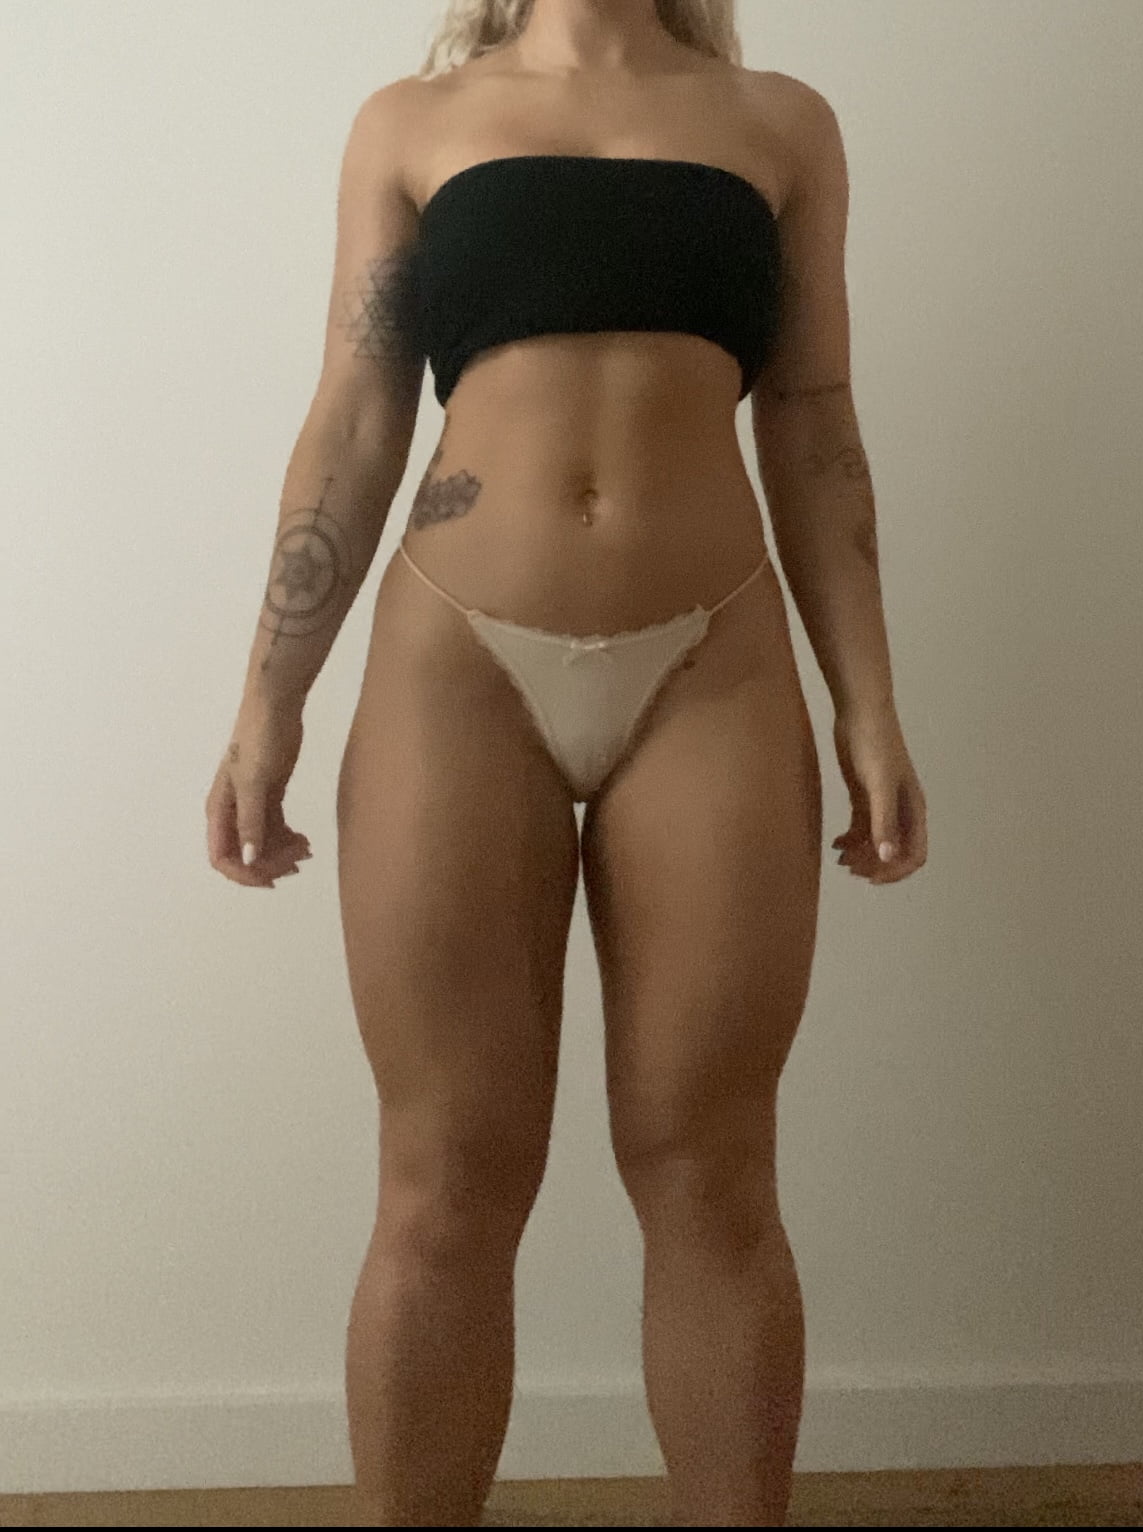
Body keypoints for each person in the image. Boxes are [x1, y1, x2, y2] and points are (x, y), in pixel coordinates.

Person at [204, 0, 928, 1524]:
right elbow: (354, 416)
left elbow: (813, 423)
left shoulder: (780, 124)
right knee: (444, 1178)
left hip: (714, 669)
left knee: (710, 1170)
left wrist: (868, 704)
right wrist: (269, 699)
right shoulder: (409, 124)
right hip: (454, 671)